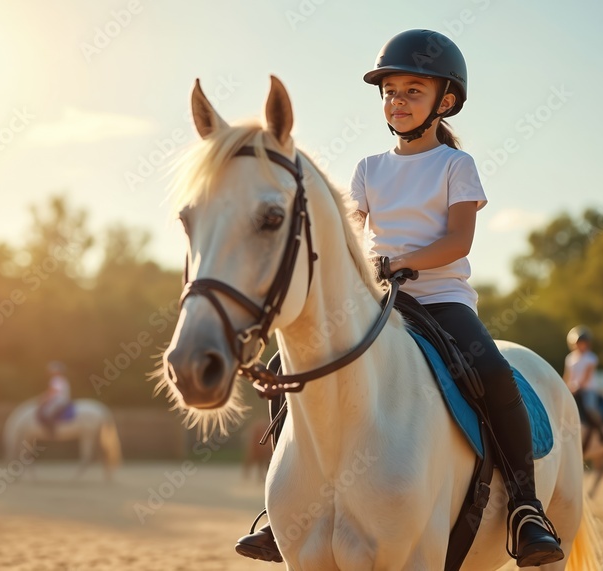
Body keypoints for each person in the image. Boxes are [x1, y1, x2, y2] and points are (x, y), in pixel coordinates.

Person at [235, 30, 564, 567]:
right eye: (390, 91)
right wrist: (363, 269)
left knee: (494, 374)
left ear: (446, 101)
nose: (398, 101)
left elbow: (458, 241)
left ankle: (527, 509)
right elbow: (352, 233)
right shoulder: (369, 168)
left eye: (413, 90)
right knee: (287, 369)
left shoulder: (456, 166)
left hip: (441, 299)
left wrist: (402, 263)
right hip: (379, 299)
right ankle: (289, 509)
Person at [564, 325, 603, 448]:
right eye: (578, 343)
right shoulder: (570, 358)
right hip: (573, 389)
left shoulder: (591, 358)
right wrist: (564, 387)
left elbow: (586, 376)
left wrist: (577, 386)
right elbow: (567, 376)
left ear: (587, 344)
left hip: (588, 389)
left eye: (583, 343)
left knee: (590, 408)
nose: (581, 345)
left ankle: (602, 431)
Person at [38, 361, 71, 438]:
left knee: (46, 413)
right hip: (62, 400)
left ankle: (51, 431)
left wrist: (44, 399)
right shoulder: (62, 379)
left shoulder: (56, 379)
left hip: (59, 401)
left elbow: (53, 392)